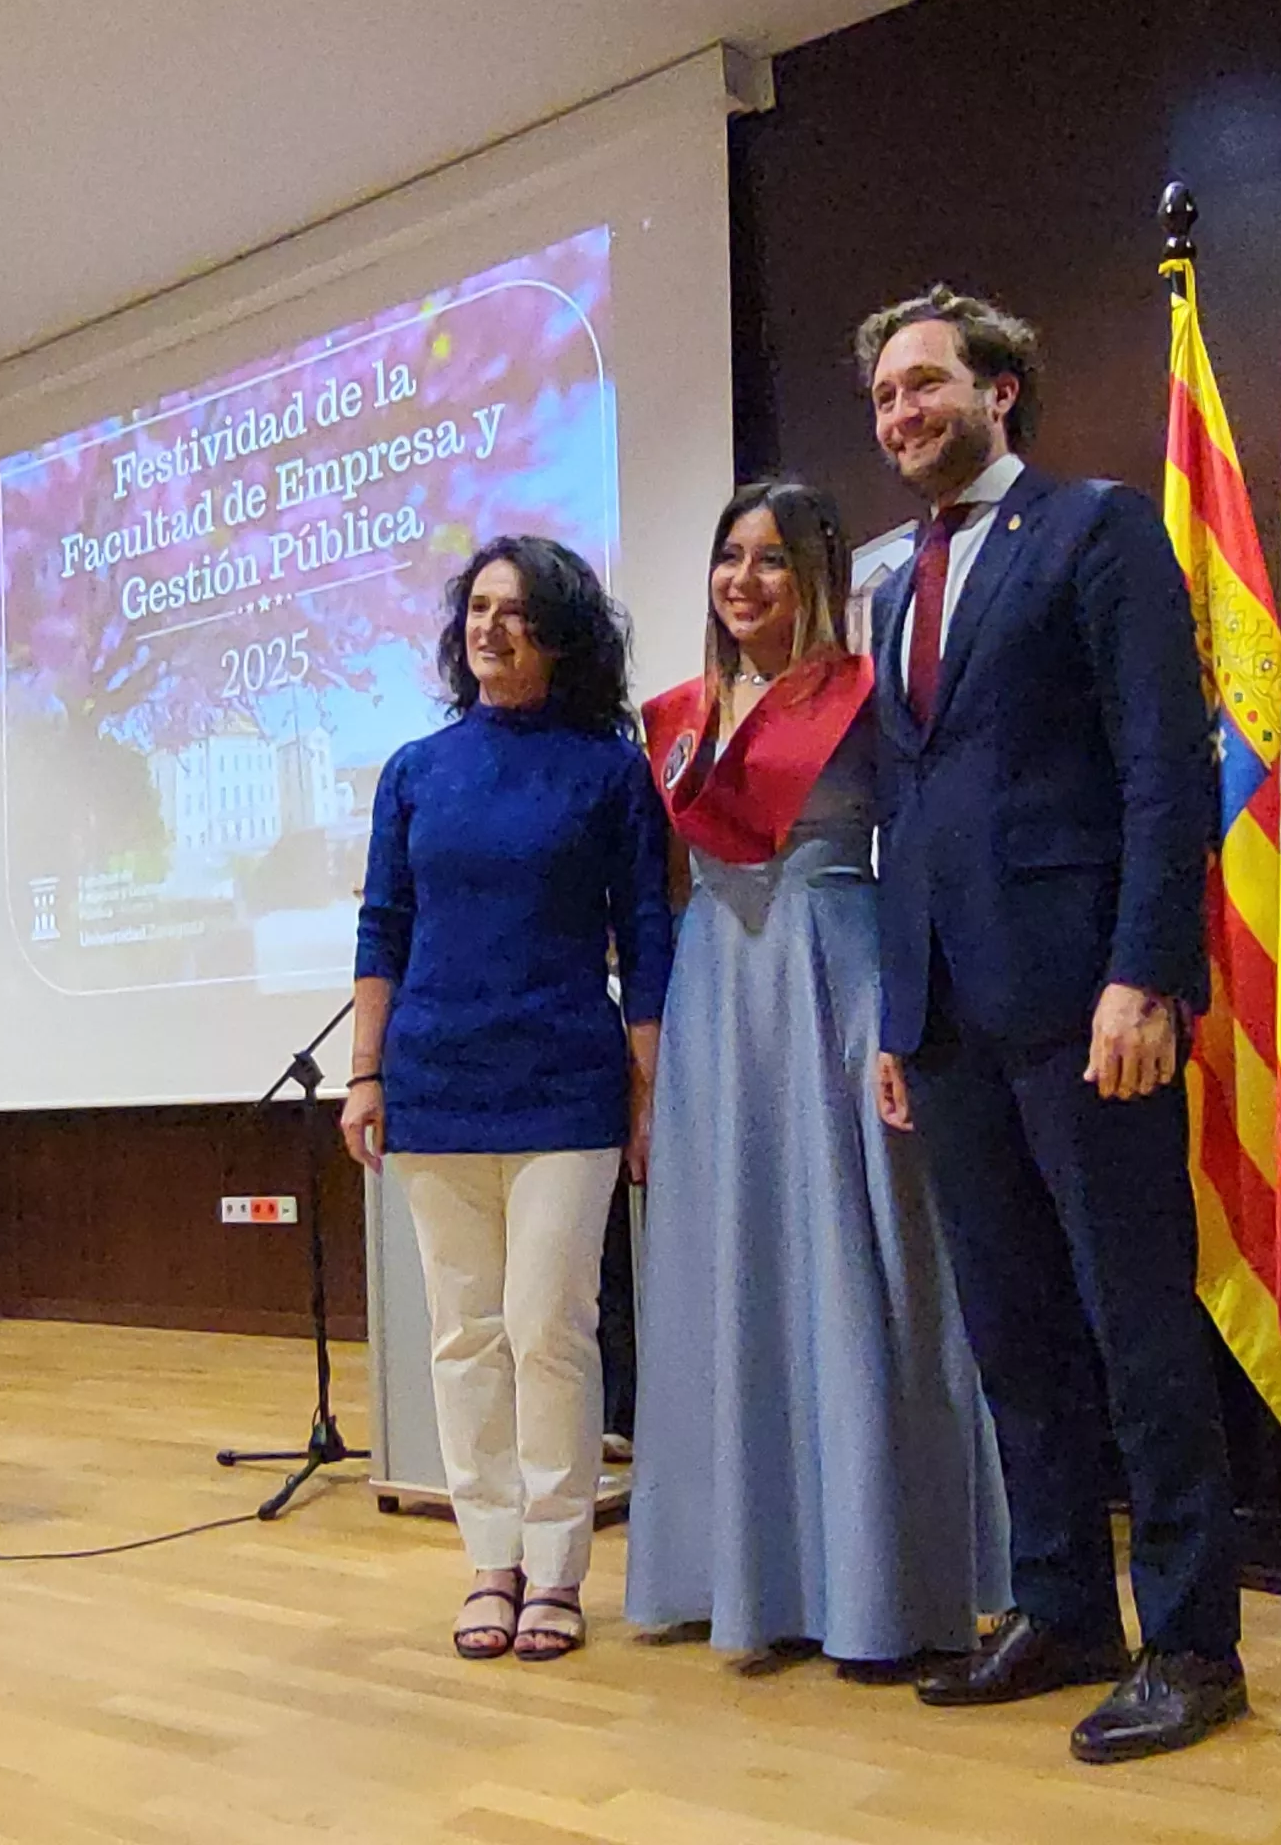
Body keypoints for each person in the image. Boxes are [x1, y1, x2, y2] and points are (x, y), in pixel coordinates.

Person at [856, 285, 1239, 1762]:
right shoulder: (898, 586)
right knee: (1014, 1334)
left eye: (926, 384)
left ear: (1001, 390)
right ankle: (1062, 1606)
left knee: (1137, 1325)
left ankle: (1196, 1646)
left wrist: (1147, 974)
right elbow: (907, 810)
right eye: (886, 396)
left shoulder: (1096, 530)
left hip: (1091, 1009)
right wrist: (900, 1013)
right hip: (948, 1020)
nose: (902, 415)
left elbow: (1163, 765)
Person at [625, 479, 1009, 1677]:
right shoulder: (679, 717)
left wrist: (907, 1015)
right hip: (715, 999)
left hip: (835, 978)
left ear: (819, 575)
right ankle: (738, 1570)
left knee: (860, 1260)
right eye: (728, 558)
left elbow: (922, 855)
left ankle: (880, 1581)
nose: (743, 581)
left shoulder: (865, 693)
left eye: (772, 562)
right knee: (730, 1262)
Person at [341, 535, 673, 1666]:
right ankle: (490, 1559)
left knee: (548, 1329)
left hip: (565, 1084)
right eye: (478, 608)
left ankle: (559, 1567)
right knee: (463, 1335)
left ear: (561, 633)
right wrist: (364, 1074)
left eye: (517, 611)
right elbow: (381, 927)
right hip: (434, 1082)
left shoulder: (608, 771)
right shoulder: (414, 772)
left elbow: (646, 938)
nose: (491, 627)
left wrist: (647, 1093)